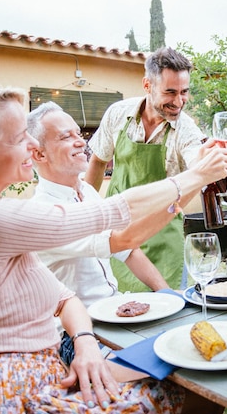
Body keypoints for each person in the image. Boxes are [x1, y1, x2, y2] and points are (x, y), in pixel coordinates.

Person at [0, 82, 227, 413]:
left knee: (189, 368)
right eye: (19, 137)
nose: (32, 144)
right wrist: (195, 176)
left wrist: (84, 341)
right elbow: (117, 214)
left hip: (50, 362)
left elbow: (64, 297)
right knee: (191, 388)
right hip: (9, 384)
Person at [84, 47, 205, 292]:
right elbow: (98, 161)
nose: (179, 101)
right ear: (147, 85)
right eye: (170, 92)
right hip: (116, 235)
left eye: (184, 92)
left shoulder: (187, 130)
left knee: (168, 310)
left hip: (162, 237)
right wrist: (87, 214)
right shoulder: (118, 114)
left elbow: (199, 170)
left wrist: (209, 162)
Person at [27, 101, 169, 309]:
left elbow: (129, 249)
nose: (81, 142)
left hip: (112, 309)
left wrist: (166, 293)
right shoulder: (43, 213)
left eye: (78, 134)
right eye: (67, 137)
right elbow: (122, 240)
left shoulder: (87, 191)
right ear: (39, 154)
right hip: (77, 331)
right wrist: (184, 187)